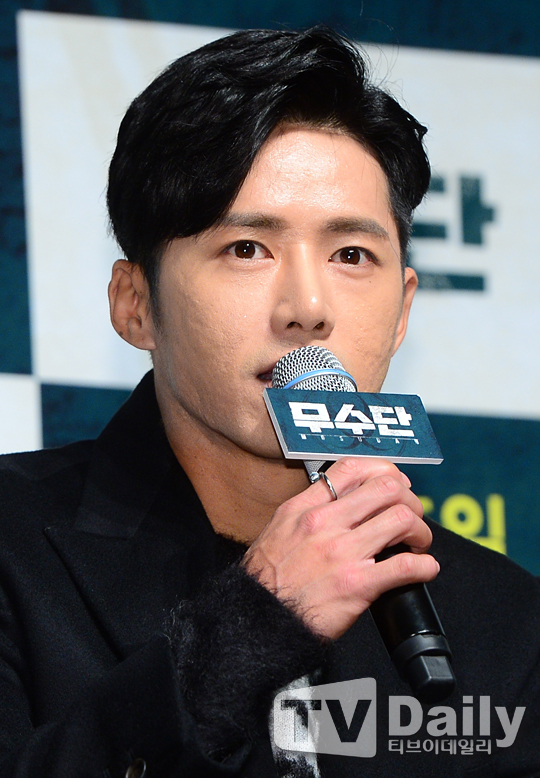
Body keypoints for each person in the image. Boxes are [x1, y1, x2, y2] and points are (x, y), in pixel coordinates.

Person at [0, 26, 538, 778]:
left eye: (352, 255)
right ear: (135, 304)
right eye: (247, 249)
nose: (307, 308)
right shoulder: (15, 547)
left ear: (403, 309)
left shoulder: (504, 621)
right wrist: (250, 630)